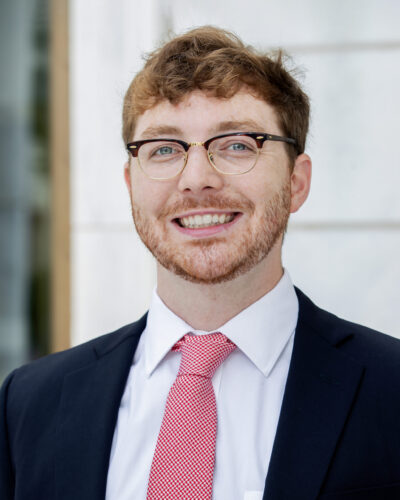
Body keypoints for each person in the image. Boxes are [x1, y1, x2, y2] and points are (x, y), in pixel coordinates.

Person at [1, 26, 400, 500]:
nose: (196, 180)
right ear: (131, 184)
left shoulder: (390, 390)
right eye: (164, 149)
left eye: (236, 144)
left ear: (296, 181)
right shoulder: (29, 403)